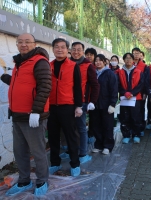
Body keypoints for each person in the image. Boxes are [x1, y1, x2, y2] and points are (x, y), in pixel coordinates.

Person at [0, 33, 51, 196]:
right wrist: (3, 76)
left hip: (32, 116)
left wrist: (36, 111)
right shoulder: (19, 63)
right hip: (17, 115)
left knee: (38, 150)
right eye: (20, 42)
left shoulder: (40, 62)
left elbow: (45, 87)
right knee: (20, 151)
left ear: (35, 44)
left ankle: (42, 180)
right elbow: (20, 84)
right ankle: (24, 180)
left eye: (27, 42)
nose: (23, 44)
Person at [47, 38, 83, 177]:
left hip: (67, 106)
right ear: (53, 49)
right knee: (53, 136)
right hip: (51, 106)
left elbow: (78, 87)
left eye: (62, 47)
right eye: (57, 47)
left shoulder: (73, 66)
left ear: (67, 50)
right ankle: (55, 163)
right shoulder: (48, 65)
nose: (60, 49)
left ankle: (75, 163)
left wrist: (78, 106)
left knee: (71, 136)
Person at [70, 42, 100, 163]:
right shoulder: (67, 63)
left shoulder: (88, 66)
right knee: (70, 128)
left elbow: (95, 85)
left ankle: (83, 153)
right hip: (67, 100)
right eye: (74, 49)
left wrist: (92, 101)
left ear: (82, 52)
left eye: (79, 50)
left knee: (81, 128)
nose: (76, 52)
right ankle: (72, 151)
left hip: (82, 101)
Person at [90, 54, 118, 154]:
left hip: (106, 104)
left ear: (105, 62)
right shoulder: (93, 73)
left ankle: (108, 145)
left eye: (100, 60)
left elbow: (114, 89)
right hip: (95, 104)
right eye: (96, 60)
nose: (98, 62)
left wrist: (112, 104)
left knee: (107, 125)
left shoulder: (109, 73)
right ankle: (99, 144)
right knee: (96, 125)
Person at [118, 53, 144, 144]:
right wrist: (124, 92)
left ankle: (136, 134)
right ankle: (126, 135)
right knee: (125, 117)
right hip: (124, 98)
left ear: (133, 60)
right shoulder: (119, 72)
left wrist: (132, 93)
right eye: (126, 58)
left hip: (135, 98)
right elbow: (118, 84)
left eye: (130, 58)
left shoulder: (139, 71)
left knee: (136, 117)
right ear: (124, 60)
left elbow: (141, 84)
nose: (128, 60)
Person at [132, 47, 151, 136]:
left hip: (141, 93)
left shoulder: (144, 67)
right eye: (134, 53)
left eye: (137, 53)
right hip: (130, 93)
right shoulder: (129, 64)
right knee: (131, 111)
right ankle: (131, 129)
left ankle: (141, 128)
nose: (136, 54)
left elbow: (146, 81)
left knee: (140, 110)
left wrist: (145, 93)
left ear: (140, 55)